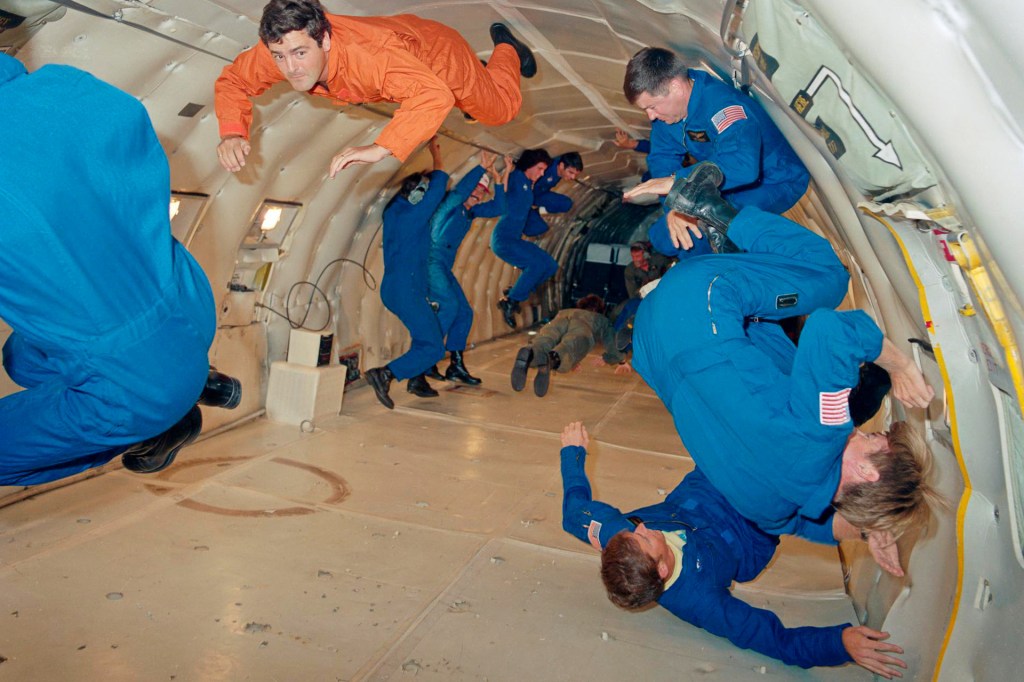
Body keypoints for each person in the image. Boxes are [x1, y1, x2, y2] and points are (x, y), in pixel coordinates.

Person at [630, 162, 938, 575]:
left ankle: (710, 207)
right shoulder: (772, 505)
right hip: (651, 345)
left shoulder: (826, 432)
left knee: (829, 276)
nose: (867, 435)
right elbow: (793, 522)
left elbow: (831, 331)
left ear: (866, 471)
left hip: (696, 302)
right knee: (785, 375)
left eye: (876, 443)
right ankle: (737, 257)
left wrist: (899, 365)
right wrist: (866, 525)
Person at [0, 54, 229, 484]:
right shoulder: (71, 86)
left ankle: (160, 422)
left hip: (132, 388)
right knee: (20, 359)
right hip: (186, 306)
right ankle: (180, 390)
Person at [558, 422, 909, 678]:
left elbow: (573, 512)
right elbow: (774, 640)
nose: (642, 526)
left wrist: (572, 453)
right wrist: (840, 643)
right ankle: (872, 517)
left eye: (635, 531)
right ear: (662, 570)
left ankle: (859, 438)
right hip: (748, 531)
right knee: (798, 500)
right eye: (646, 538)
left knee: (760, 431)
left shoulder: (618, 536)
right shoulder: (701, 602)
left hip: (708, 487)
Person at [215, 0, 536, 175]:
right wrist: (232, 132)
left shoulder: (369, 57)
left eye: (300, 54)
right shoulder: (280, 44)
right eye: (280, 57)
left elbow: (434, 94)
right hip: (402, 57)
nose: (290, 68)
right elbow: (233, 80)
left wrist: (380, 148)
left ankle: (507, 49)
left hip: (438, 54)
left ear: (324, 39)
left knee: (498, 110)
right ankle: (477, 78)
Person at [621, 47, 810, 258]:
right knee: (662, 237)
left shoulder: (723, 106)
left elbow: (743, 166)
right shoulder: (669, 114)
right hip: (719, 181)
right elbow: (661, 158)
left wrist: (680, 185)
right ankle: (707, 269)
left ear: (675, 86)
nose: (651, 117)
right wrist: (675, 206)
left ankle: (722, 276)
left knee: (695, 235)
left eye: (652, 107)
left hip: (773, 180)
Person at [363, 137, 449, 409]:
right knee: (434, 347)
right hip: (406, 290)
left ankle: (417, 378)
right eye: (422, 192)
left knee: (424, 336)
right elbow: (439, 188)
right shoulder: (413, 216)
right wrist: (436, 157)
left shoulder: (395, 213)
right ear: (416, 195)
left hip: (399, 288)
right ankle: (385, 374)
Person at [424, 151, 511, 385]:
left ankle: (456, 365)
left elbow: (499, 208)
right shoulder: (450, 205)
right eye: (476, 189)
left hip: (443, 267)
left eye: (482, 190)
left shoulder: (469, 212)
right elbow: (461, 191)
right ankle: (428, 357)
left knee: (464, 312)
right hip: (430, 261)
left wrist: (499, 182)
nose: (477, 193)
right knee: (450, 306)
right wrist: (481, 169)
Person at [510, 295, 630, 397]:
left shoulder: (565, 311)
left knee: (545, 340)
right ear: (600, 310)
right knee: (569, 348)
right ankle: (552, 360)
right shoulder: (601, 320)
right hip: (584, 328)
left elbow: (557, 338)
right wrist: (619, 360)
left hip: (559, 321)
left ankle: (530, 354)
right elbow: (613, 345)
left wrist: (574, 361)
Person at [493, 149, 560, 329]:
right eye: (539, 168)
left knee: (550, 265)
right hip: (504, 239)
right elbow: (503, 192)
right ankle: (511, 300)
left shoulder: (528, 183)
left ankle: (515, 293)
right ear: (529, 165)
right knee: (537, 265)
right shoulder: (516, 176)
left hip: (515, 239)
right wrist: (507, 170)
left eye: (544, 170)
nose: (541, 174)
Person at [522, 152, 583, 237]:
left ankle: (537, 211)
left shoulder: (560, 169)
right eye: (571, 172)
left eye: (575, 175)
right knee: (539, 228)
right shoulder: (546, 167)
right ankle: (523, 217)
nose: (573, 177)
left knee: (566, 204)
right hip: (524, 196)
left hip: (539, 195)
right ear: (561, 166)